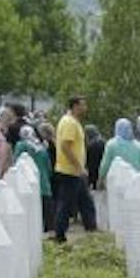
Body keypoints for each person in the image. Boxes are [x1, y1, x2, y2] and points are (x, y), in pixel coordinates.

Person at [51, 96, 95, 241]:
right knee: (66, 204)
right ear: (75, 106)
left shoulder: (71, 121)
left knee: (85, 201)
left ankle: (91, 228)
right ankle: (60, 235)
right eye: (83, 104)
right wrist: (78, 166)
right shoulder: (70, 122)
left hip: (74, 170)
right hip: (69, 170)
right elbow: (65, 146)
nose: (85, 107)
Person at [16, 120, 54, 229]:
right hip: (44, 181)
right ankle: (49, 226)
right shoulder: (41, 147)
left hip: (27, 182)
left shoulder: (21, 145)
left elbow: (16, 162)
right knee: (46, 206)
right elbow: (48, 166)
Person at [98, 117, 140, 191]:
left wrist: (101, 178)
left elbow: (105, 164)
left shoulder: (111, 144)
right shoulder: (138, 146)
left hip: (117, 183)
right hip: (135, 183)